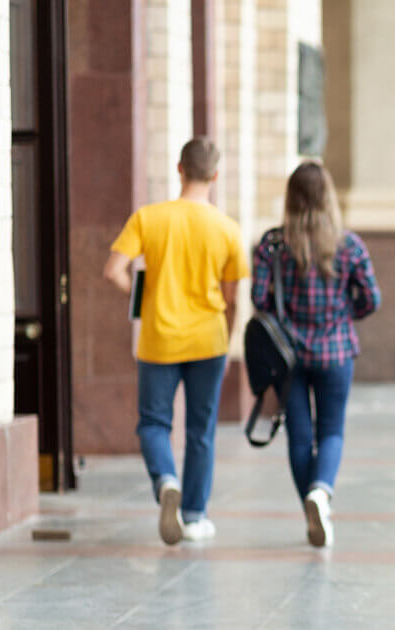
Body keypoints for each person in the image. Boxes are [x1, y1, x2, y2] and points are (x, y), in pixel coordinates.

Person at [103, 137, 250, 545]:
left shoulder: (148, 219)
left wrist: (140, 292)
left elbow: (113, 270)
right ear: (215, 175)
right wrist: (227, 328)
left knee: (153, 423)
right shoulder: (227, 228)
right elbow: (234, 296)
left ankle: (166, 481)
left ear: (179, 169)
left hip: (158, 338)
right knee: (202, 429)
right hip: (209, 339)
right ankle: (195, 515)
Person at [251, 161, 380, 548]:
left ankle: (312, 502)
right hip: (336, 351)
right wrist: (344, 316)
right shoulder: (349, 244)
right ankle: (320, 493)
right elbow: (371, 299)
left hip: (288, 356)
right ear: (327, 196)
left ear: (290, 197)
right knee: (331, 430)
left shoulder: (272, 245)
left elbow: (260, 300)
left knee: (299, 432)